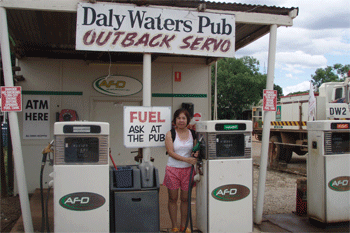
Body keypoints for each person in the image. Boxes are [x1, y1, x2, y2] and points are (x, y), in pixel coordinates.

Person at [163, 108, 198, 233]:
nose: (181, 121)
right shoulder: (170, 133)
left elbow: (196, 149)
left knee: (185, 199)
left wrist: (196, 153)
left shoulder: (193, 133)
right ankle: (174, 226)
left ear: (188, 120)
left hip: (187, 171)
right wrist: (187, 160)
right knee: (173, 198)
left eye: (184, 118)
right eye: (179, 118)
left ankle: (184, 225)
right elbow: (171, 152)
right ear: (175, 120)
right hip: (173, 170)